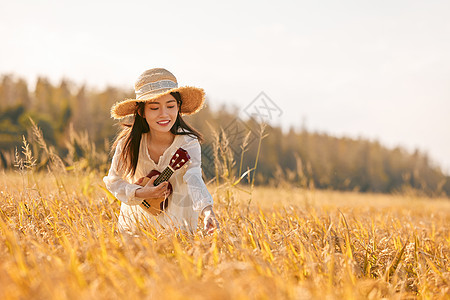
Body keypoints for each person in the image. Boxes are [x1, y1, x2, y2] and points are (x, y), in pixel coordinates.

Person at [103, 68, 220, 235]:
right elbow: (113, 181)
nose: (164, 114)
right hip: (140, 217)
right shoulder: (128, 143)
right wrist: (142, 192)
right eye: (154, 108)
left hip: (178, 218)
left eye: (170, 106)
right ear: (141, 111)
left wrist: (208, 211)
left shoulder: (189, 143)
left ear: (178, 107)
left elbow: (194, 178)